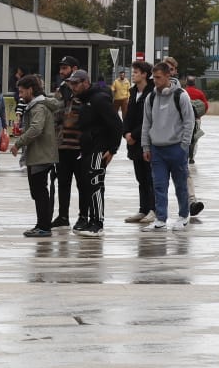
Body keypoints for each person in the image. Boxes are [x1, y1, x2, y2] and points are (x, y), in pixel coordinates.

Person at [139, 62, 195, 232]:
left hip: (176, 148)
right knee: (159, 185)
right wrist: (145, 147)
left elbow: (189, 121)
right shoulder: (151, 97)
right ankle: (161, 218)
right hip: (157, 149)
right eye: (153, 78)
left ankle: (184, 215)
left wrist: (184, 146)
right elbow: (146, 123)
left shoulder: (181, 96)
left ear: (167, 76)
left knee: (180, 185)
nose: (155, 81)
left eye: (158, 77)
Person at [67, 69, 123, 237]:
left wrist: (112, 149)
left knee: (95, 184)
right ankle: (90, 220)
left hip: (99, 148)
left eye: (76, 83)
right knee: (87, 186)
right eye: (71, 84)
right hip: (87, 149)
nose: (73, 87)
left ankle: (97, 223)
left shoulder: (98, 99)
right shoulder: (86, 100)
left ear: (86, 82)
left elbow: (116, 124)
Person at [9, 75, 60, 236]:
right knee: (38, 191)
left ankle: (44, 227)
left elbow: (37, 129)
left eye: (22, 91)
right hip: (39, 154)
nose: (21, 95)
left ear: (31, 90)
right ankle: (41, 225)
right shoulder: (36, 105)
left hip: (41, 155)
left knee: (39, 191)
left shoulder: (39, 107)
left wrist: (19, 143)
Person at [162, 57, 205, 216]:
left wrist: (185, 142)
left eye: (171, 69)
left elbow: (189, 118)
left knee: (184, 172)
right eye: (165, 68)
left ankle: (191, 202)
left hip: (177, 141)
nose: (169, 73)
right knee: (159, 178)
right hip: (159, 141)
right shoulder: (154, 91)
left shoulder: (181, 93)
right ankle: (156, 209)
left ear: (175, 71)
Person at [121, 60, 156, 223]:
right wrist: (126, 132)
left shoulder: (153, 93)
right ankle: (143, 209)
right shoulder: (133, 91)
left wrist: (134, 135)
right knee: (140, 178)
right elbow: (128, 115)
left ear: (144, 74)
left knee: (150, 178)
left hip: (147, 141)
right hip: (134, 142)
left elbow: (148, 119)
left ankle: (153, 209)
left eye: (136, 72)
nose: (133, 75)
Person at [51, 55, 83, 228]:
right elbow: (55, 116)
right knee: (63, 183)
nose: (61, 71)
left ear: (74, 69)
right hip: (63, 145)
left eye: (65, 68)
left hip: (79, 146)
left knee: (82, 184)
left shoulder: (83, 90)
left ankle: (83, 216)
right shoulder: (61, 90)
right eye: (61, 68)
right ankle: (63, 216)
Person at [184, 75, 209, 163]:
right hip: (196, 118)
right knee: (195, 137)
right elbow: (206, 105)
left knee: (184, 136)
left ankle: (184, 155)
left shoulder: (183, 92)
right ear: (194, 83)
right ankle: (192, 157)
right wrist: (200, 115)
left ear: (186, 82)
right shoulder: (199, 93)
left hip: (184, 119)